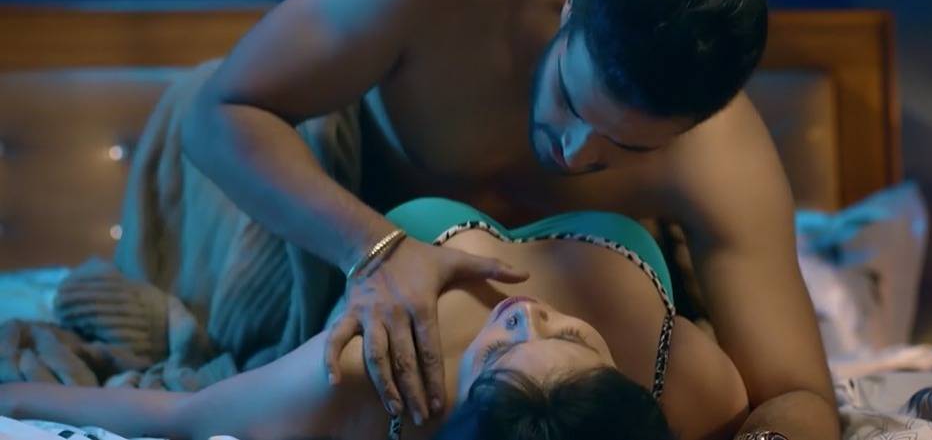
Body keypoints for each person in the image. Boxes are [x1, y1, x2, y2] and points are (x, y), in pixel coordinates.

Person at [0, 0, 839, 440]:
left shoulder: (721, 159)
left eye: (630, 147)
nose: (577, 152)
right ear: (569, 11)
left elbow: (795, 392)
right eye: (570, 100)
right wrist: (370, 248)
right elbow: (221, 116)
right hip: (312, 216)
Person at [0, 197, 748, 440]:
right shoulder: (694, 384)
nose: (529, 314)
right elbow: (185, 410)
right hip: (379, 165)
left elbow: (182, 418)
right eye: (571, 335)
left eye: (501, 351)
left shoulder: (369, 384)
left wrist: (11, 400)